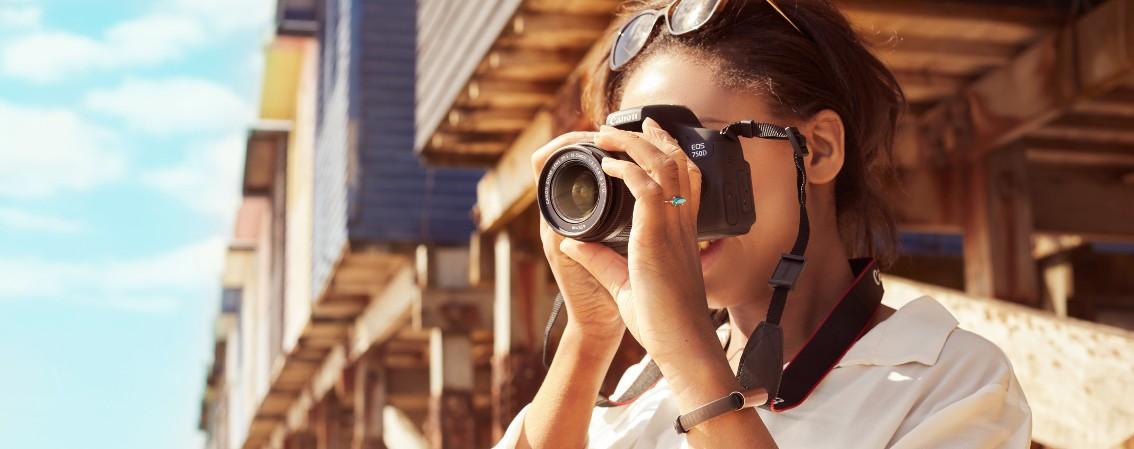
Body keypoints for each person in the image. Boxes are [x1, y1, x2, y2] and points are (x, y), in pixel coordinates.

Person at [495, 0, 1032, 447]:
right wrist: (590, 337)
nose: (666, 194)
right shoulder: (643, 391)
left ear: (818, 149)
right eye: (640, 161)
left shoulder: (949, 381)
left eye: (689, 149)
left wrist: (688, 354)